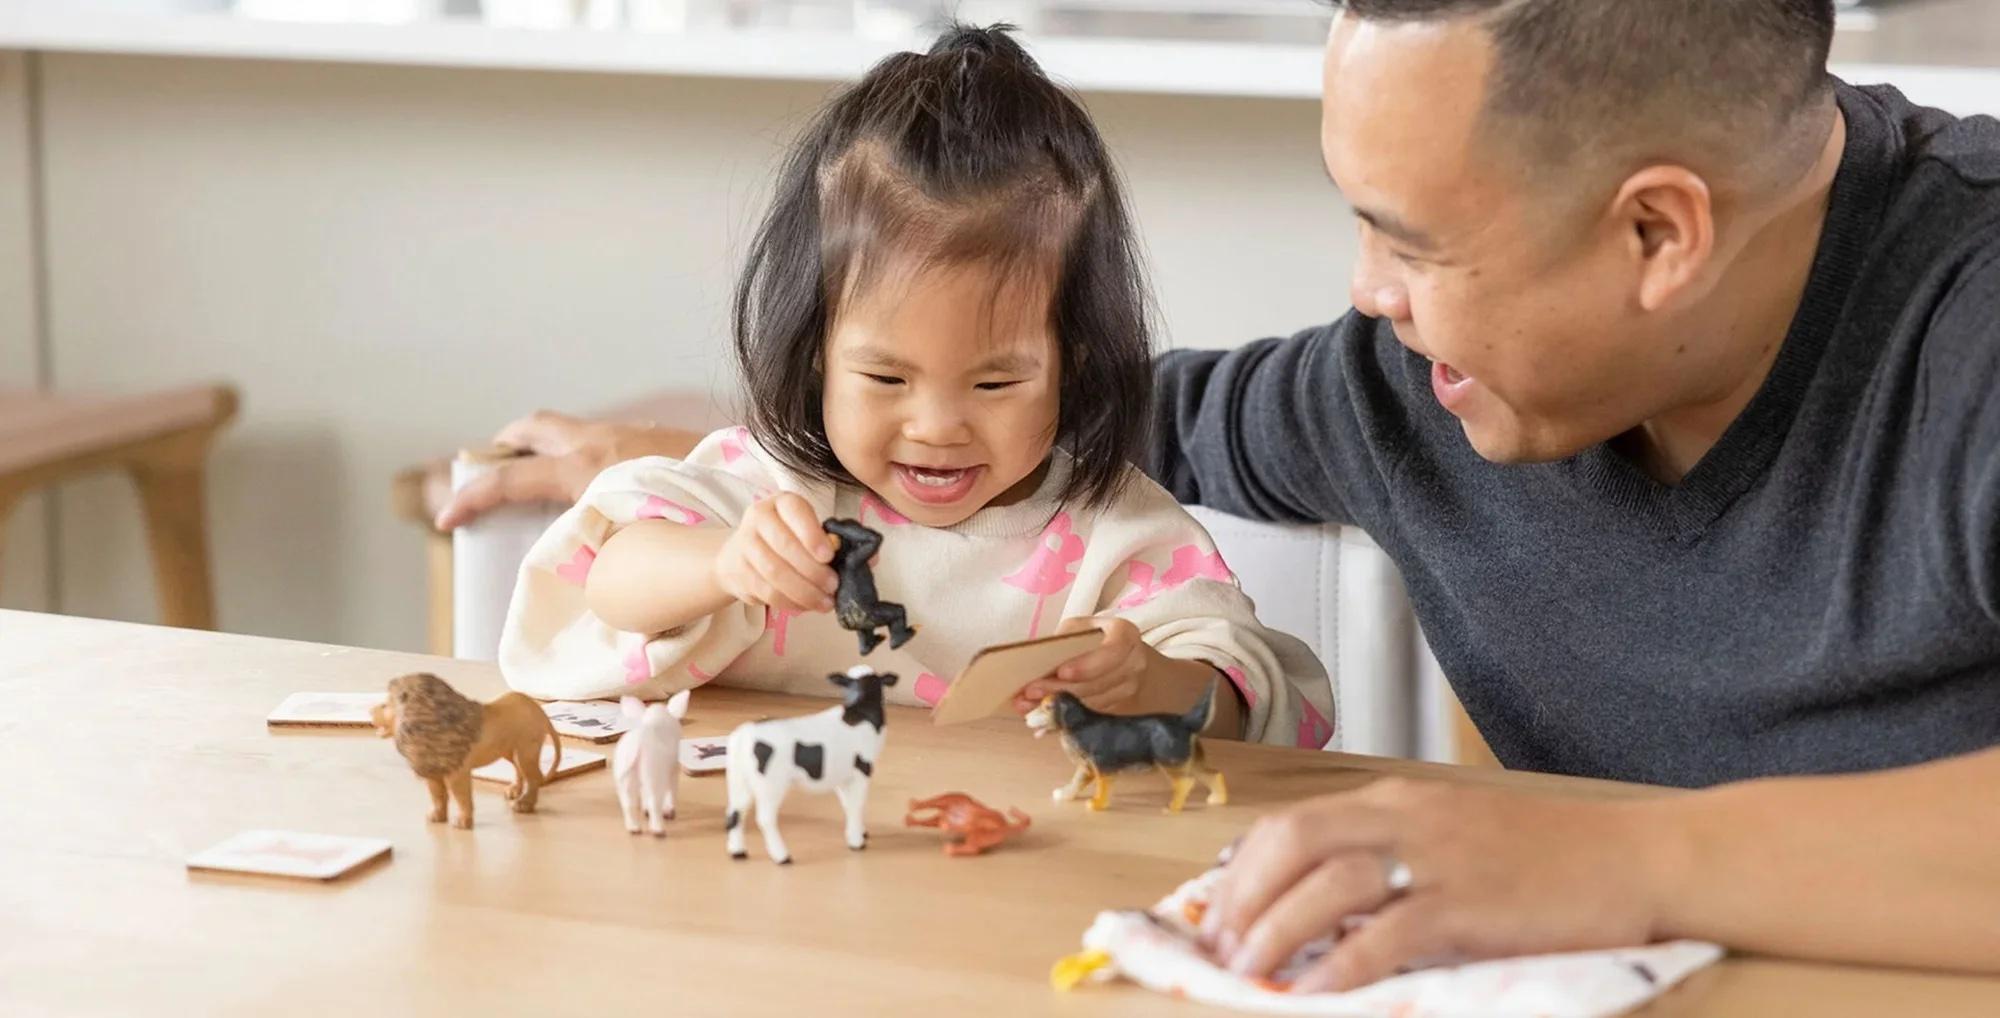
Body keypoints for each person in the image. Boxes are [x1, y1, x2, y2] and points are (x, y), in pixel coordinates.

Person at [1148, 0, 2000, 992]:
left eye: (1411, 245)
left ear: (1654, 231)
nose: (1369, 291)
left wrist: (1607, 860)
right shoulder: (1410, 384)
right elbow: (1082, 421)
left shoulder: (1968, 335)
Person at [494, 24, 1333, 747]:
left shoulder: (1117, 535)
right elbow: (607, 574)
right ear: (817, 350)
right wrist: (724, 561)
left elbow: (1247, 698)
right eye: (886, 376)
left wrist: (1144, 679)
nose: (936, 425)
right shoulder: (770, 490)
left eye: (996, 382)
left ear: (1074, 361)